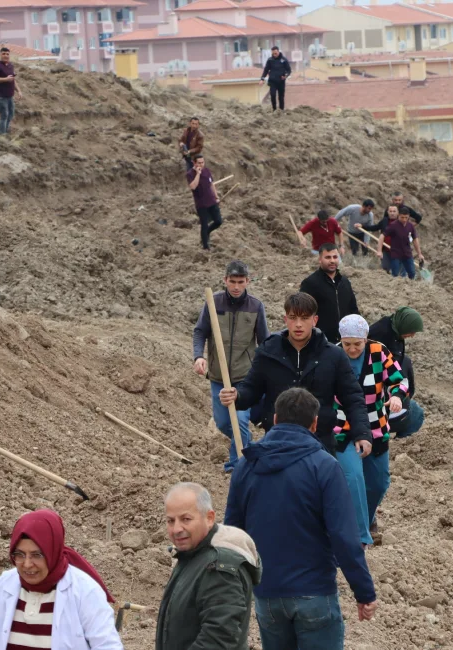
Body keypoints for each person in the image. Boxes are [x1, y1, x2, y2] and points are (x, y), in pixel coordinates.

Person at [224, 388, 377, 649]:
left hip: (267, 594)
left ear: (274, 419)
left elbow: (232, 534)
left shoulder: (246, 465)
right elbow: (344, 537)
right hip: (315, 592)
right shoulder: (325, 466)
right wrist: (363, 592)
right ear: (315, 424)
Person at [219, 292, 370, 454]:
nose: (298, 324)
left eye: (304, 318)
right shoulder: (268, 352)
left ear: (315, 320)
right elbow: (251, 388)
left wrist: (362, 433)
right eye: (293, 318)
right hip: (277, 441)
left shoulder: (333, 355)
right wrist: (237, 396)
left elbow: (353, 397)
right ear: (285, 320)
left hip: (319, 442)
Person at [0, 510, 120, 650]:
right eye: (19, 554)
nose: (27, 564)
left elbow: (107, 646)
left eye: (37, 555)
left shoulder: (85, 591)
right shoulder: (5, 584)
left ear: (52, 551)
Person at [333, 315, 410, 544]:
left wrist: (396, 396)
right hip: (344, 427)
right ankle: (360, 537)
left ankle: (366, 518)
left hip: (375, 425)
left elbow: (400, 380)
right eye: (347, 344)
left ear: (366, 339)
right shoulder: (333, 354)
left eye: (357, 344)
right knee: (354, 478)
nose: (352, 349)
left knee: (379, 482)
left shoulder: (379, 352)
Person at [158, 483, 261, 650]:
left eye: (186, 519)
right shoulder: (193, 554)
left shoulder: (219, 568)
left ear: (209, 518)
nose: (176, 529)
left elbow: (218, 639)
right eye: (171, 521)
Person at [193, 261, 269, 472]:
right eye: (232, 282)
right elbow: (200, 331)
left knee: (241, 420)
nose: (236, 286)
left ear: (247, 282)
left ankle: (238, 464)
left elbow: (264, 341)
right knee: (223, 423)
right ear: (225, 280)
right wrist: (198, 356)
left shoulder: (255, 306)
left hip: (245, 376)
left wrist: (266, 370)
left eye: (240, 282)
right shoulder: (213, 303)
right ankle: (246, 444)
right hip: (218, 375)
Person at [368, 307, 425, 439]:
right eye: (411, 332)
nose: (412, 336)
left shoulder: (394, 331)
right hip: (379, 403)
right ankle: (401, 441)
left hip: (392, 393)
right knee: (417, 414)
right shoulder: (381, 337)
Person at [300, 243, 359, 343]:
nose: (332, 260)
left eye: (335, 257)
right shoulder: (310, 283)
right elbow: (303, 313)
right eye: (327, 257)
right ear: (320, 259)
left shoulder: (345, 282)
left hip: (346, 341)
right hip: (321, 342)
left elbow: (353, 309)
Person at [187, 154, 222, 250]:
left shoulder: (207, 171)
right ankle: (205, 247)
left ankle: (206, 234)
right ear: (194, 163)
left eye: (203, 162)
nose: (201, 165)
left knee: (218, 221)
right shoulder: (190, 174)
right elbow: (193, 186)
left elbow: (211, 184)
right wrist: (198, 174)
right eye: (199, 163)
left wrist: (216, 196)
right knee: (204, 224)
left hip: (211, 201)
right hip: (201, 204)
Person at [0, 46, 22, 135]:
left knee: (10, 114)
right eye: (3, 54)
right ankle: (2, 134)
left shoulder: (10, 66)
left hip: (9, 96)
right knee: (4, 115)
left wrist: (18, 91)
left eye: (7, 54)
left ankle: (6, 131)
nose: (6, 56)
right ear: (0, 55)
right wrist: (5, 79)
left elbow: (12, 79)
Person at [384, 206, 424, 279]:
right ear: (399, 215)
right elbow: (382, 236)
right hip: (395, 253)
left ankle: (410, 286)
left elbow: (415, 239)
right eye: (402, 217)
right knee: (395, 274)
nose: (404, 219)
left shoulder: (410, 226)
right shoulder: (393, 225)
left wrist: (419, 254)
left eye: (406, 217)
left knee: (412, 272)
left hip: (407, 253)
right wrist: (379, 250)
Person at [361, 204, 401, 272]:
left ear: (398, 212)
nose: (392, 213)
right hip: (385, 249)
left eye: (394, 211)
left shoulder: (402, 223)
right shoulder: (385, 221)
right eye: (390, 211)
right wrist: (362, 226)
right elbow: (375, 227)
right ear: (387, 212)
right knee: (385, 268)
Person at [260, 45, 292, 111]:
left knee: (281, 97)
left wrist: (285, 76)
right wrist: (262, 79)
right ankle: (274, 109)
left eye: (276, 53)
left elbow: (289, 70)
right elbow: (266, 70)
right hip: (273, 81)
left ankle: (281, 110)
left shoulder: (284, 60)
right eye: (273, 53)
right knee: (273, 95)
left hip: (281, 81)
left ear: (278, 51)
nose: (274, 55)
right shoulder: (270, 60)